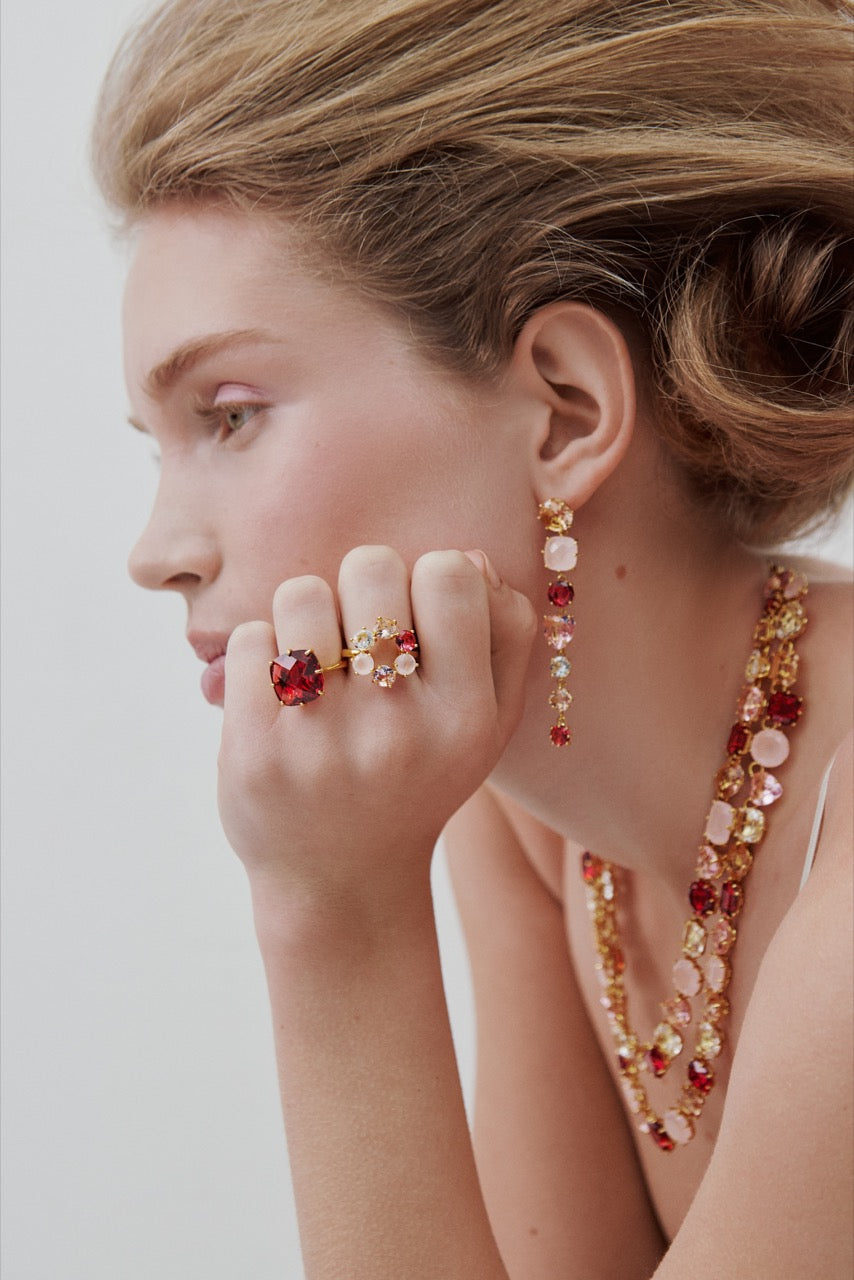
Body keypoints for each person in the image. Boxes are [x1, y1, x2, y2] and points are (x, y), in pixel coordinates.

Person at [92, 1, 853, 1275]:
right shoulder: (537, 824)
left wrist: (330, 911)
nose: (155, 550)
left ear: (561, 410)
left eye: (228, 415)